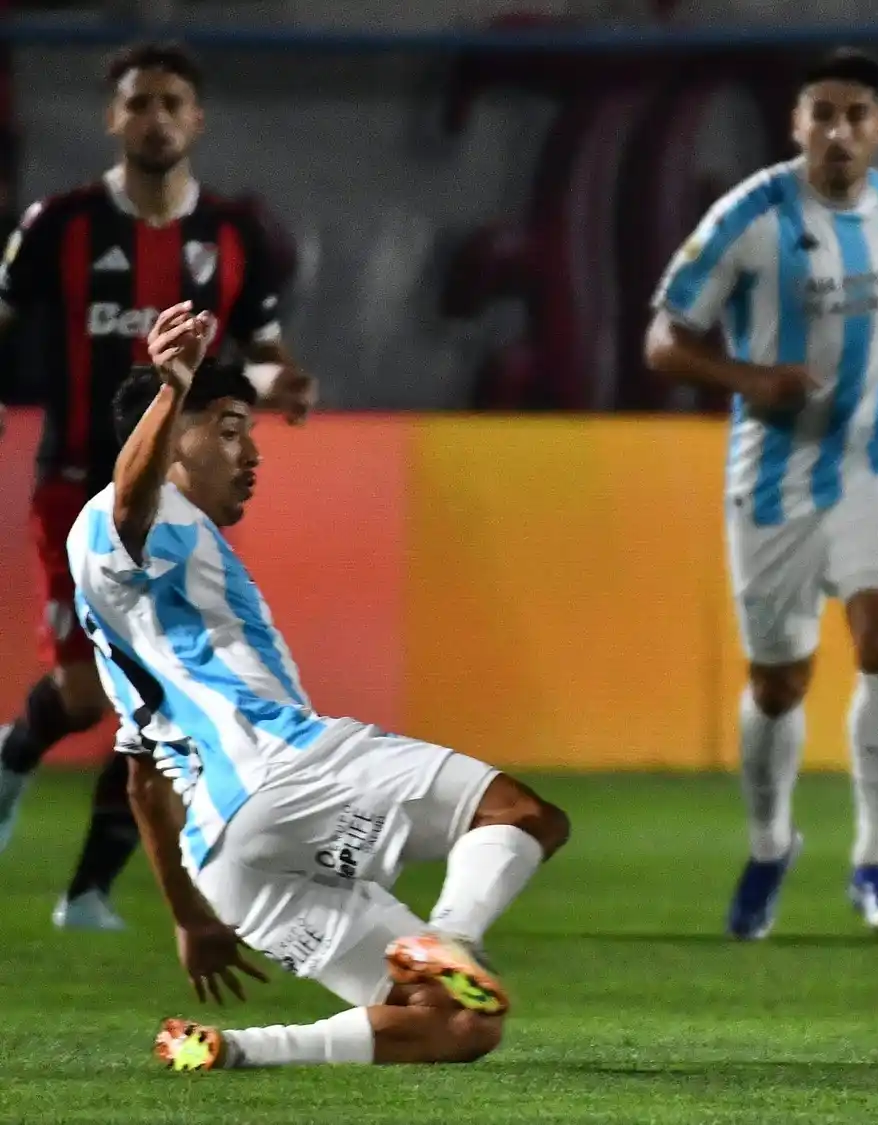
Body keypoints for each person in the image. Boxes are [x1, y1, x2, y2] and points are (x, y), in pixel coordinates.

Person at [69, 302, 570, 1071]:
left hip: (227, 857)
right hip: (282, 769)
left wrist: (190, 915)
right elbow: (132, 503)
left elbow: (143, 778)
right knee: (522, 815)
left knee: (458, 1024)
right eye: (229, 430)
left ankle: (229, 1050)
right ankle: (451, 938)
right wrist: (172, 387)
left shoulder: (146, 619)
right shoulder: (123, 517)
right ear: (169, 437)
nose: (250, 454)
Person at [644, 48, 878, 940]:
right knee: (779, 679)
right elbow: (664, 342)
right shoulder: (749, 215)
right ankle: (769, 846)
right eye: (822, 114)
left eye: (855, 114)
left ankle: (876, 859)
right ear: (797, 124)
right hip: (774, 474)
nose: (839, 131)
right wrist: (752, 379)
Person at [0, 40, 314, 931]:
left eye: (172, 103)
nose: (156, 119)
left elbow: (262, 356)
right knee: (83, 694)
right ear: (114, 118)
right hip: (76, 487)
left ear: (197, 119)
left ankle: (88, 893)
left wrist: (283, 384)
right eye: (139, 103)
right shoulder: (59, 224)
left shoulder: (235, 236)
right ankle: (15, 756)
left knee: (166, 695)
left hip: (184, 504)